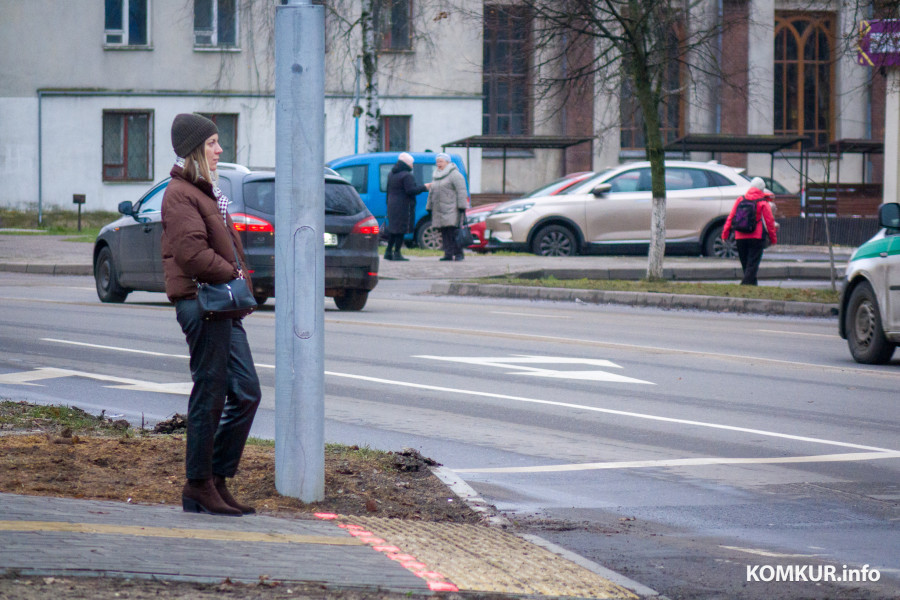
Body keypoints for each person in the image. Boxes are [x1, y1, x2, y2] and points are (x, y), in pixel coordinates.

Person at [161, 113, 261, 516]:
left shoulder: (205, 193)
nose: (220, 151)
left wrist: (235, 279)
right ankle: (198, 483)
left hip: (222, 305)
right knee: (211, 394)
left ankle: (215, 479)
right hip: (202, 305)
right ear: (194, 151)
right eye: (213, 144)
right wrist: (233, 273)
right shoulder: (181, 195)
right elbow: (193, 255)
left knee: (246, 392)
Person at [722, 176, 777, 286]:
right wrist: (773, 238)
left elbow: (731, 217)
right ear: (762, 189)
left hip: (740, 236)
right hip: (756, 237)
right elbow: (770, 222)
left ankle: (752, 284)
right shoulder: (763, 202)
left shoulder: (740, 199)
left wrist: (725, 234)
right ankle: (746, 284)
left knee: (746, 263)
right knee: (752, 263)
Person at [384, 152, 428, 261]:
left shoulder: (391, 174)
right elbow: (411, 190)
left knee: (393, 229)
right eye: (412, 164)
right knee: (401, 230)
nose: (412, 166)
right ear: (406, 164)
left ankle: (388, 252)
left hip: (392, 204)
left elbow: (388, 190)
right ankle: (397, 253)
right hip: (403, 205)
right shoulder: (407, 175)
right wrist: (424, 187)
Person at [426, 153, 469, 261]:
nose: (438, 164)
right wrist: (429, 206)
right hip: (439, 209)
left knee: (453, 232)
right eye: (437, 161)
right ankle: (448, 254)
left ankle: (459, 254)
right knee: (444, 232)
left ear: (447, 162)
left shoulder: (454, 174)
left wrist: (462, 206)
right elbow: (432, 192)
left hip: (452, 209)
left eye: (441, 161)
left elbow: (462, 191)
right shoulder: (436, 174)